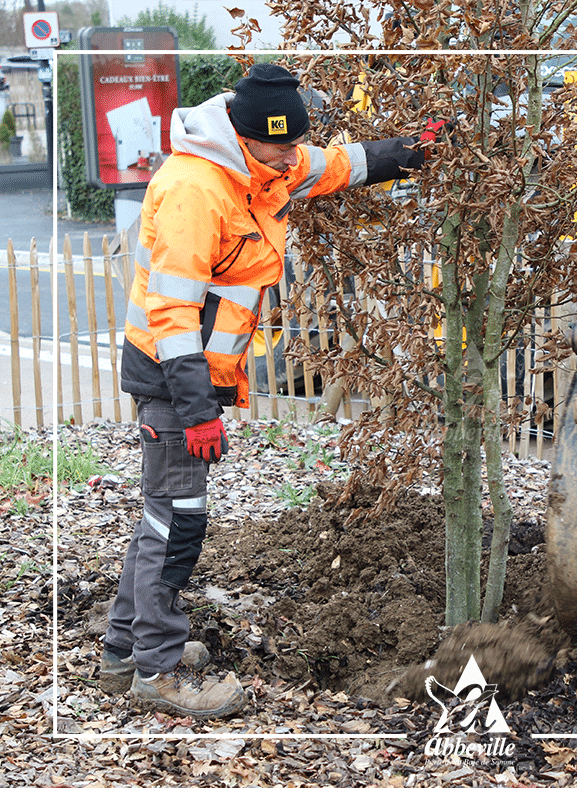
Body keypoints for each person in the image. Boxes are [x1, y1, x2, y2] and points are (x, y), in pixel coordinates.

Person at [98, 62, 442, 719]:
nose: (293, 159)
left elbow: (336, 164)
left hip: (195, 382)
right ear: (242, 134)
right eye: (281, 147)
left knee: (159, 518)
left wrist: (410, 154)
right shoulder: (197, 191)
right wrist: (198, 412)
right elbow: (172, 319)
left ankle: (124, 654)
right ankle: (157, 671)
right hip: (174, 379)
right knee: (177, 525)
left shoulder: (267, 165)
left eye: (293, 145)